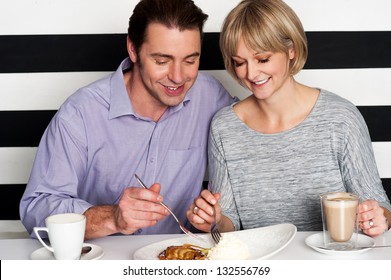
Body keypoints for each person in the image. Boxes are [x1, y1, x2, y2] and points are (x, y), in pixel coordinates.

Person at [20, 0, 235, 240]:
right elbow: (36, 209)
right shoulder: (80, 113)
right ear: (133, 50)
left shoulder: (210, 97)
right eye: (162, 61)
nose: (178, 77)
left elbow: (259, 121)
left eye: (190, 61)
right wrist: (112, 217)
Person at [187, 0, 391, 237]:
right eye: (239, 62)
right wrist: (214, 220)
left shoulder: (340, 118)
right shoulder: (224, 127)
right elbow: (229, 220)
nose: (250, 74)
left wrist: (378, 218)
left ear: (291, 49)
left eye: (262, 59)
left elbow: (378, 204)